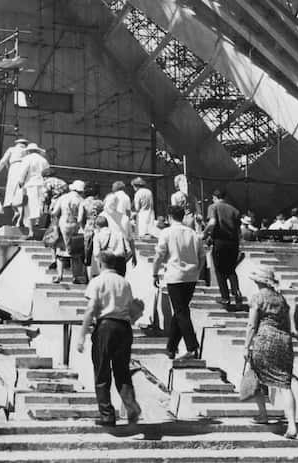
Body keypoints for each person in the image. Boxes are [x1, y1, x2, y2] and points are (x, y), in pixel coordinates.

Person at [75, 252, 142, 427]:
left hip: (105, 327)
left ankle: (107, 415)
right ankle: (131, 405)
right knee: (122, 371)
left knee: (102, 371)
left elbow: (91, 309)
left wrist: (81, 335)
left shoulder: (97, 281)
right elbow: (132, 310)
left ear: (100, 263)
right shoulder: (124, 283)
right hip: (124, 328)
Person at [244, 264, 298, 439]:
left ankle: (263, 414)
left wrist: (247, 345)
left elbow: (252, 324)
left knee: (255, 374)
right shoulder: (280, 298)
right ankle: (292, 425)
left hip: (264, 339)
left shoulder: (257, 298)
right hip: (284, 342)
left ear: (258, 281)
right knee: (285, 384)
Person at [153, 204, 203, 364]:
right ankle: (171, 347)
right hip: (191, 276)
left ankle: (191, 345)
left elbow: (160, 254)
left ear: (169, 217)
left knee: (181, 311)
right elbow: (202, 256)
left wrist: (155, 272)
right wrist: (197, 270)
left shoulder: (166, 232)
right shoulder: (192, 233)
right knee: (180, 310)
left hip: (175, 275)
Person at [205, 188, 244, 309]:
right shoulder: (234, 210)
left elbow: (212, 222)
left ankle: (225, 297)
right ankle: (237, 293)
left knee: (220, 270)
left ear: (215, 197)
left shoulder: (213, 207)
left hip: (220, 242)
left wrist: (204, 234)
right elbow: (239, 230)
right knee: (231, 269)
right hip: (233, 243)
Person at [51, 179, 88, 284]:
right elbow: (80, 218)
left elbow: (54, 212)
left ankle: (59, 275)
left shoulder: (63, 197)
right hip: (74, 225)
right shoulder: (81, 200)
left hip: (62, 224)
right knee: (75, 252)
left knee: (60, 251)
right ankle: (75, 277)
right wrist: (82, 228)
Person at [19, 145, 50, 239]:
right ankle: (41, 230)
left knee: (31, 208)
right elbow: (48, 173)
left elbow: (22, 173)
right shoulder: (44, 160)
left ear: (28, 151)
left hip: (31, 185)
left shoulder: (27, 159)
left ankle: (31, 232)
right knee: (41, 208)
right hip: (43, 185)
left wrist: (20, 183)